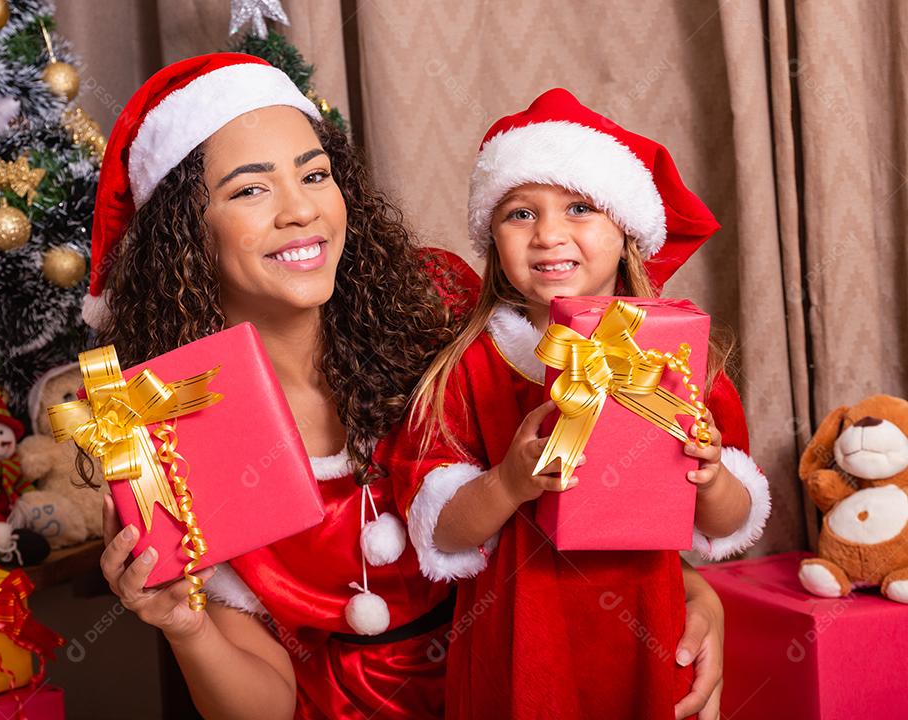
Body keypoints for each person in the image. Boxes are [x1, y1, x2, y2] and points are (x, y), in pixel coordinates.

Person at [91, 57, 729, 719]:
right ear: (185, 233)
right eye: (250, 190)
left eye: (315, 175)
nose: (302, 209)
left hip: (526, 682)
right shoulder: (171, 430)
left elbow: (602, 470)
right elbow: (266, 707)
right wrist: (184, 626)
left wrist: (688, 590)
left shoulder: (443, 308)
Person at [387, 88, 772, 720]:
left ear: (626, 231)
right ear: (491, 237)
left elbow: (730, 525)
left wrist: (710, 476)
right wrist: (510, 482)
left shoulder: (675, 361)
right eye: (519, 213)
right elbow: (440, 532)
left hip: (647, 633)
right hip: (517, 639)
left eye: (580, 207)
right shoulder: (469, 365)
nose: (549, 235)